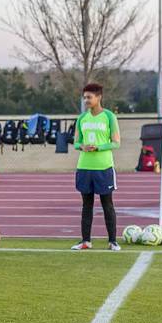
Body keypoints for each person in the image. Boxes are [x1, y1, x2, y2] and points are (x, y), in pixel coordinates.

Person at [72, 83, 121, 251]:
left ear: (99, 97)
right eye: (84, 97)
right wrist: (82, 147)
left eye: (89, 97)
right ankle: (86, 241)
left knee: (107, 204)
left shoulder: (109, 117)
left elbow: (116, 142)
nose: (86, 100)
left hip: (103, 167)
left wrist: (99, 147)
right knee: (87, 205)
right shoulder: (81, 118)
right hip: (85, 167)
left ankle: (113, 241)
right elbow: (76, 142)